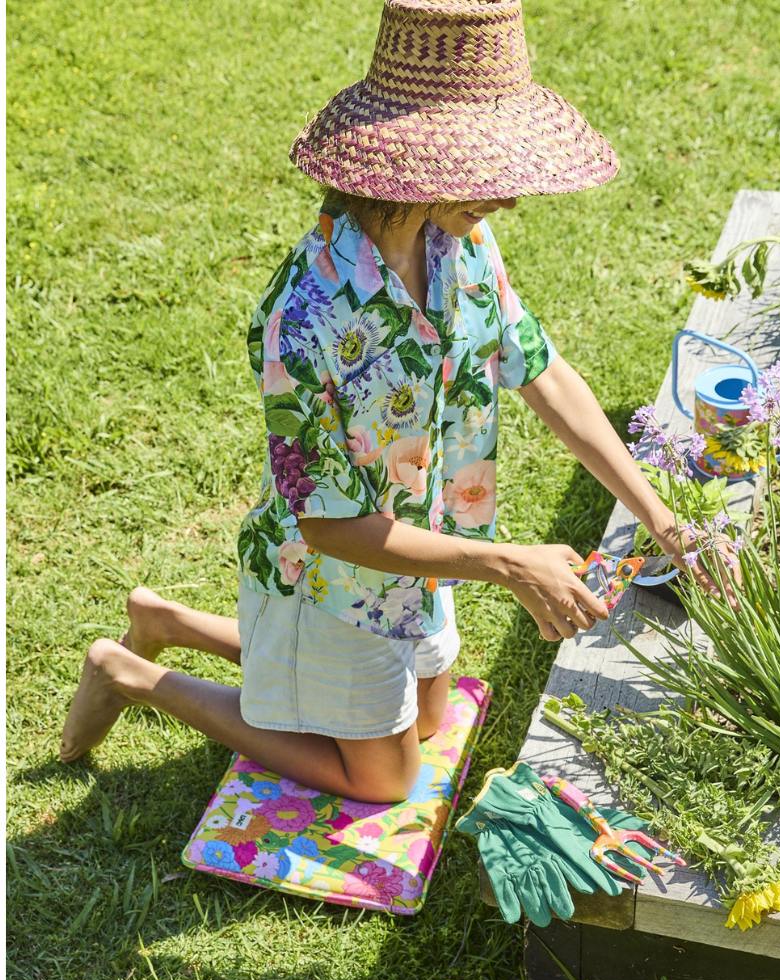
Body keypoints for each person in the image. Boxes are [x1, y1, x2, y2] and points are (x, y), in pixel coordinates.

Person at [59, 0, 736, 804]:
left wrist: (663, 520)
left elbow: (542, 373)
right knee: (385, 781)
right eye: (488, 171)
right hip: (331, 576)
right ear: (418, 167)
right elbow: (328, 525)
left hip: (422, 556)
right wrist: (507, 563)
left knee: (429, 720)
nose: (510, 199)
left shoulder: (463, 243)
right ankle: (135, 672)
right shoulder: (305, 317)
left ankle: (167, 618)